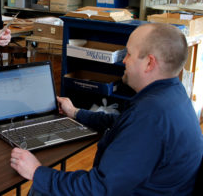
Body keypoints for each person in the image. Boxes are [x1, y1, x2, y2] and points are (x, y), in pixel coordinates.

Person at [10, 23, 203, 195]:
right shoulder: (172, 97)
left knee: (40, 189)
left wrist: (36, 171)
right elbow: (122, 124)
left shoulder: (152, 116)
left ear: (149, 63)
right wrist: (76, 112)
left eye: (128, 53)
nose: (124, 61)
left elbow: (99, 188)